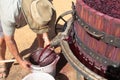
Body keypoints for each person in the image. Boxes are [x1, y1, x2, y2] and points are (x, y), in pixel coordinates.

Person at [0, 0, 56, 79]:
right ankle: (1, 60)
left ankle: (40, 48)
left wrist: (46, 39)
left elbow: (40, 24)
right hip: (3, 8)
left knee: (38, 24)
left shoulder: (38, 3)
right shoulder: (9, 15)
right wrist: (20, 61)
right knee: (2, 40)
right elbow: (10, 40)